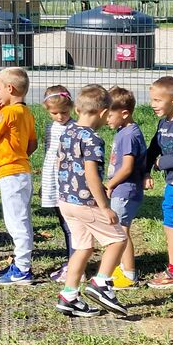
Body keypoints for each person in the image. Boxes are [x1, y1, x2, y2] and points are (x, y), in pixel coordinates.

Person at [54, 85, 130, 317]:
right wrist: (105, 207)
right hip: (85, 202)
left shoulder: (67, 132)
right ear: (104, 112)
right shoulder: (93, 139)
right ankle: (102, 283)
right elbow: (91, 174)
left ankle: (69, 296)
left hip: (65, 201)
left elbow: (60, 163)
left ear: (77, 109)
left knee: (83, 247)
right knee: (118, 239)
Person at [0, 67, 38, 285]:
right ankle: (21, 263)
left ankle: (22, 269)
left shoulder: (7, 112)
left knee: (15, 222)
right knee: (23, 219)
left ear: (9, 88)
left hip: (10, 172)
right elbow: (32, 144)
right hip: (23, 171)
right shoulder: (27, 113)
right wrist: (20, 155)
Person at [104, 86, 147, 289]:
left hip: (125, 190)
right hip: (124, 189)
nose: (106, 119)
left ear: (124, 113)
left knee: (121, 232)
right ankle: (122, 268)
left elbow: (127, 167)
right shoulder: (125, 131)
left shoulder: (128, 135)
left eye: (109, 115)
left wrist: (110, 184)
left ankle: (129, 274)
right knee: (120, 230)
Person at [145, 75, 173, 289]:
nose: (152, 104)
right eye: (152, 100)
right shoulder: (163, 122)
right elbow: (153, 149)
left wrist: (160, 162)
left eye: (157, 100)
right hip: (172, 183)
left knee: (170, 225)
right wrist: (145, 171)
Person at [41, 85, 76, 283]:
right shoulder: (50, 127)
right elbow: (48, 152)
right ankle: (71, 261)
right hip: (53, 181)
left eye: (64, 112)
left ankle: (75, 265)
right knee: (63, 223)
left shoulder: (74, 128)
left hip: (68, 182)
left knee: (71, 225)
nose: (60, 116)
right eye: (55, 113)